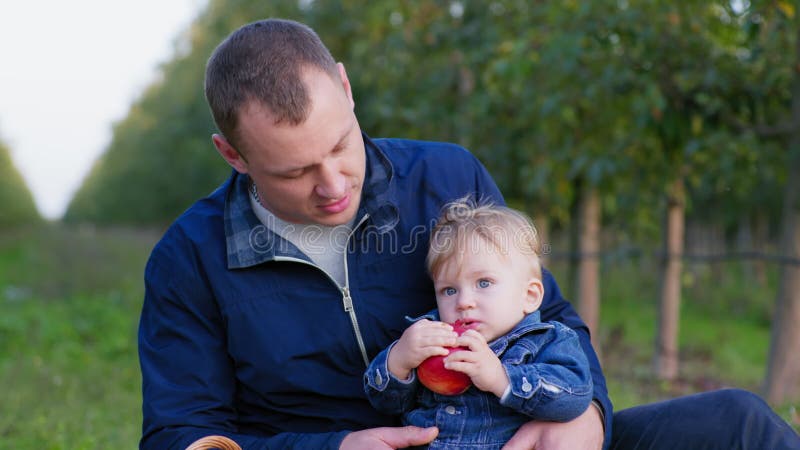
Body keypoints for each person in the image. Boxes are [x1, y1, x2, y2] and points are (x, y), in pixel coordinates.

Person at [138, 17, 800, 450]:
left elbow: (553, 316)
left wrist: (585, 417)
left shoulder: (446, 177)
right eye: (295, 172)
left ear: (345, 87)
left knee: (738, 426)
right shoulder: (191, 259)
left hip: (508, 433)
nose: (334, 184)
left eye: (342, 145)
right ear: (234, 156)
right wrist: (334, 447)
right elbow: (183, 436)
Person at [364, 199, 593, 448]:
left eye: (483, 283)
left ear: (530, 296)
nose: (463, 302)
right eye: (449, 290)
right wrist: (397, 362)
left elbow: (575, 395)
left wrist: (502, 379)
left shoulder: (547, 341)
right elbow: (385, 404)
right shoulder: (430, 339)